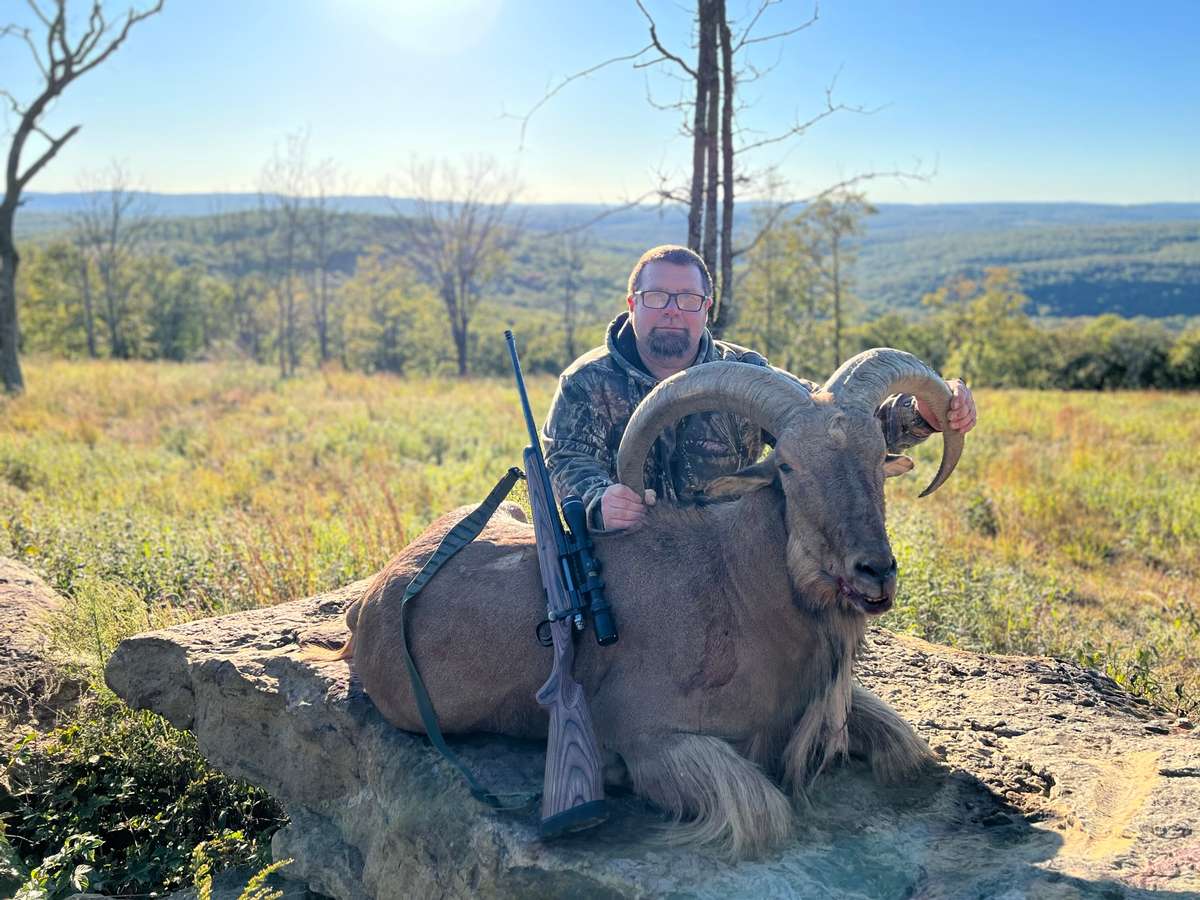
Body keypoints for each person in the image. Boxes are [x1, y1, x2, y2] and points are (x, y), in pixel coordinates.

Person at [542, 244, 977, 531]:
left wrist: (921, 415)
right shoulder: (587, 381)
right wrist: (601, 500)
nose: (673, 310)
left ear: (706, 308)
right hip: (632, 552)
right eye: (657, 297)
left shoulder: (747, 374)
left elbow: (827, 424)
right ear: (633, 303)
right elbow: (566, 458)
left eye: (688, 299)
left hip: (730, 555)